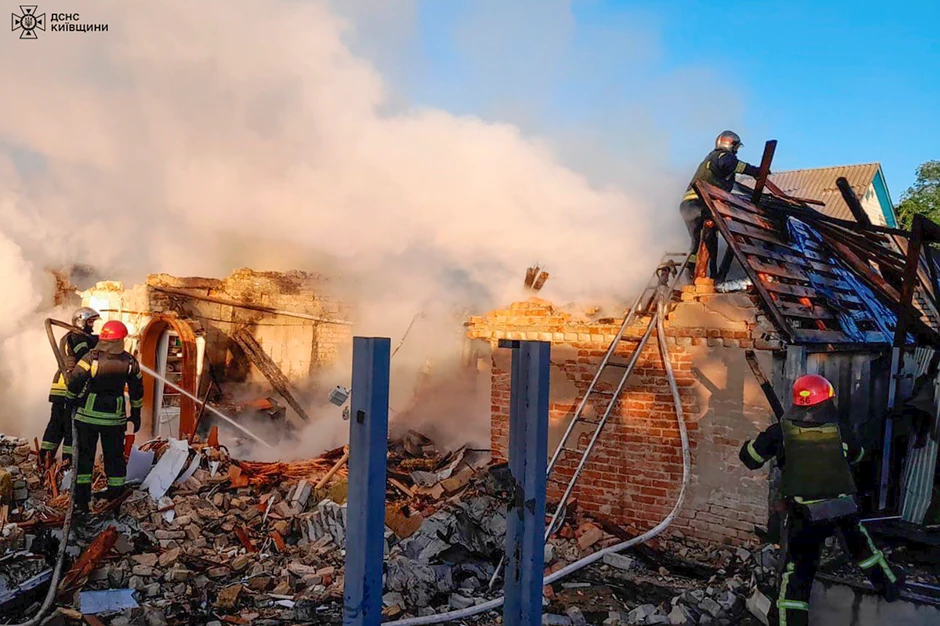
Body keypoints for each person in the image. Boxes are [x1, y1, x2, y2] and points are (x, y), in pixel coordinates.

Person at [740, 374, 904, 626]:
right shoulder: (841, 431)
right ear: (828, 401)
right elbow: (858, 455)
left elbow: (750, 458)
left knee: (797, 574)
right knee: (864, 550)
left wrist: (757, 445)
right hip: (842, 508)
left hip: (803, 514)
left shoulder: (779, 433)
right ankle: (890, 586)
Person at [65, 320, 144, 518]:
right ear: (120, 340)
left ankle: (81, 501)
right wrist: (136, 414)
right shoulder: (130, 362)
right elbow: (137, 391)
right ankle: (114, 500)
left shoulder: (91, 357)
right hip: (114, 420)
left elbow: (75, 380)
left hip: (87, 417)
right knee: (115, 459)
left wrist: (70, 400)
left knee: (85, 459)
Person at [681, 130, 761, 277]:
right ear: (730, 144)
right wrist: (756, 171)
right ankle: (712, 274)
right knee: (710, 237)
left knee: (698, 241)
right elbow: (732, 164)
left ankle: (691, 273)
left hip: (688, 205)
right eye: (736, 147)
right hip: (700, 204)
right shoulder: (723, 156)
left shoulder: (711, 158)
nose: (736, 151)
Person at [40, 307, 100, 469]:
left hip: (61, 386)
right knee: (69, 426)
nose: (92, 325)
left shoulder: (72, 336)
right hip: (70, 386)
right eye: (90, 321)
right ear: (80, 321)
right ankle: (67, 464)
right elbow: (85, 357)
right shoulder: (78, 338)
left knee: (56, 425)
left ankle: (44, 459)